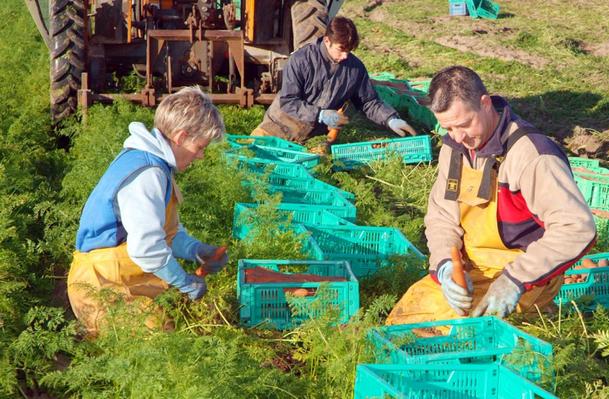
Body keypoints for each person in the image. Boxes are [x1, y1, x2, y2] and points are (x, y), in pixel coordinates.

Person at [386, 66, 596, 325]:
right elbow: (442, 216)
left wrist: (515, 279)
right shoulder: (454, 148)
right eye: (448, 128)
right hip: (474, 269)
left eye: (464, 124)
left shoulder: (531, 155)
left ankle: (541, 313)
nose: (458, 137)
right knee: (408, 317)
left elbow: (577, 227)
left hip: (526, 274)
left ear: (485, 104)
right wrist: (446, 266)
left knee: (466, 332)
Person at [67, 87, 229, 334]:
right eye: (199, 147)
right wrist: (185, 282)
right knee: (159, 337)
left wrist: (196, 250)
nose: (201, 156)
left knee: (173, 320)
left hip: (123, 275)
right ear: (181, 136)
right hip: (100, 284)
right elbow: (147, 249)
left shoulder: (155, 164)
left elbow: (165, 233)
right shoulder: (147, 174)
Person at [251, 16, 416, 143]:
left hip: (313, 138)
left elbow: (368, 102)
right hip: (277, 127)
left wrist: (390, 119)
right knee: (246, 160)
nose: (345, 56)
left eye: (349, 50)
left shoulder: (355, 68)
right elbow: (289, 101)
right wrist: (320, 114)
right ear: (327, 40)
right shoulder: (301, 60)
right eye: (341, 49)